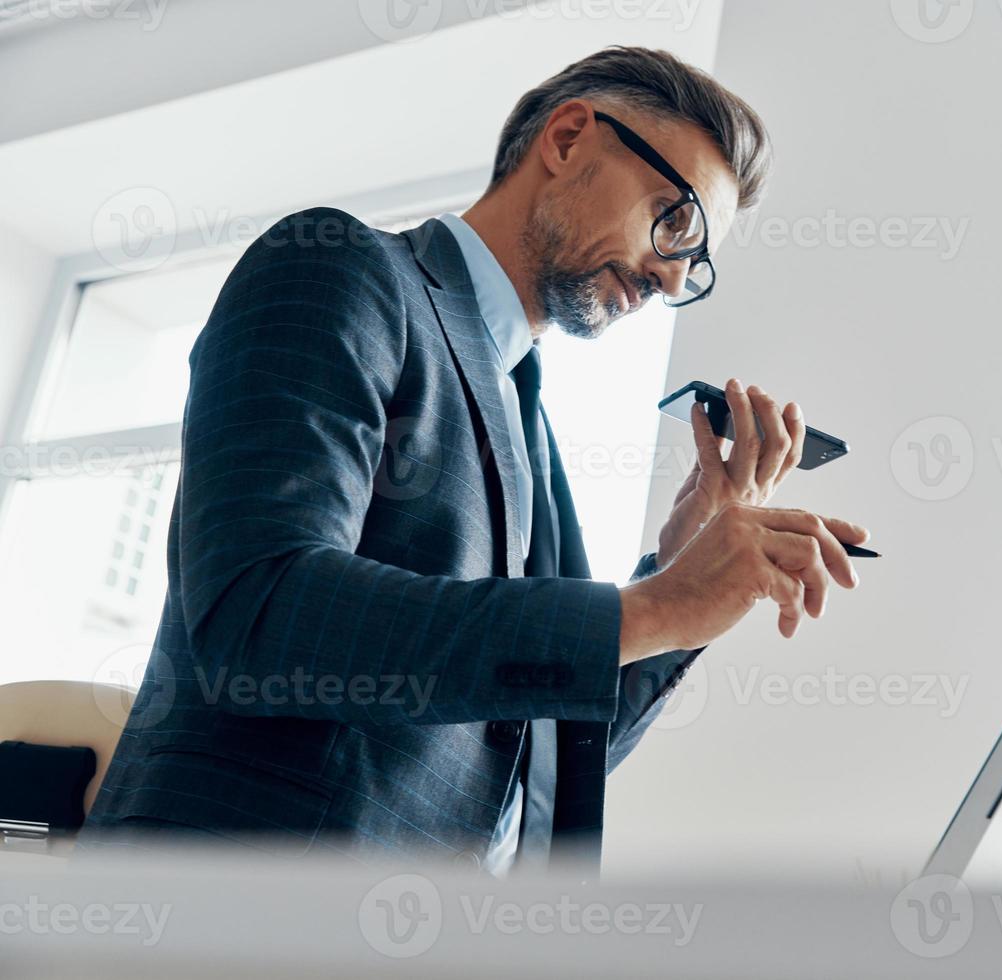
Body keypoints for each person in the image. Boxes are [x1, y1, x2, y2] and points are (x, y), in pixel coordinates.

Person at [78, 46, 867, 877]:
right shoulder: (337, 269)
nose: (670, 278)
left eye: (696, 263)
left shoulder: (533, 438)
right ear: (568, 140)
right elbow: (263, 613)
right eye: (674, 221)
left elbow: (548, 755)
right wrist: (654, 606)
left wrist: (680, 567)